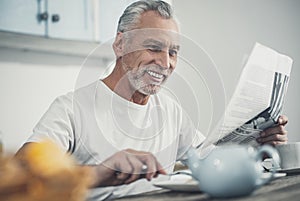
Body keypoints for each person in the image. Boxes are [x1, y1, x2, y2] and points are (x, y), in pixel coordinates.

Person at [17, 0, 288, 200]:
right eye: (154, 48)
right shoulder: (70, 109)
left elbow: (211, 162)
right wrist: (99, 173)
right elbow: (18, 176)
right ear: (120, 44)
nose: (166, 63)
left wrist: (258, 143)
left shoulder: (171, 111)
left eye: (173, 52)